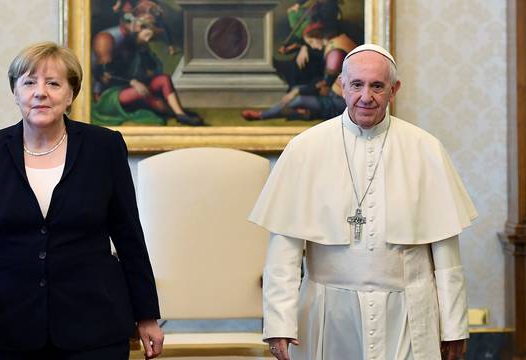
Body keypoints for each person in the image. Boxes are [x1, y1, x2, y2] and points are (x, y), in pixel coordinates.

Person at [249, 44, 475, 360]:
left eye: (377, 86)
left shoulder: (425, 148)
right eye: (357, 84)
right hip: (328, 315)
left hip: (409, 314)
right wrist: (279, 324)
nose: (365, 96)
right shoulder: (305, 148)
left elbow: (446, 252)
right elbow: (284, 250)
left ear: (393, 90)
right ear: (342, 86)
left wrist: (454, 327)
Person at [0, 42, 163, 360]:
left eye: (53, 83)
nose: (40, 92)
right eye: (29, 82)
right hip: (13, 328)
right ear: (15, 92)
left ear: (71, 94)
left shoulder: (105, 147)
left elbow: (129, 236)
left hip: (96, 326)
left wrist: (147, 315)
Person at [91, 11, 203, 126]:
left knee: (163, 79)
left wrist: (142, 48)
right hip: (111, 93)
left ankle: (179, 113)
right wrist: (132, 82)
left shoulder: (138, 43)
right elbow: (102, 74)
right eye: (144, 32)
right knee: (142, 92)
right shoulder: (113, 42)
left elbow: (151, 69)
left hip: (132, 85)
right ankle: (173, 113)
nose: (147, 38)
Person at [243, 21, 356, 121]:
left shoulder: (334, 52)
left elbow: (326, 84)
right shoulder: (338, 41)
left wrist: (298, 92)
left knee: (299, 99)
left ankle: (262, 115)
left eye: (311, 42)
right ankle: (300, 113)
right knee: (296, 95)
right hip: (338, 95)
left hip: (341, 102)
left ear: (318, 36)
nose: (312, 46)